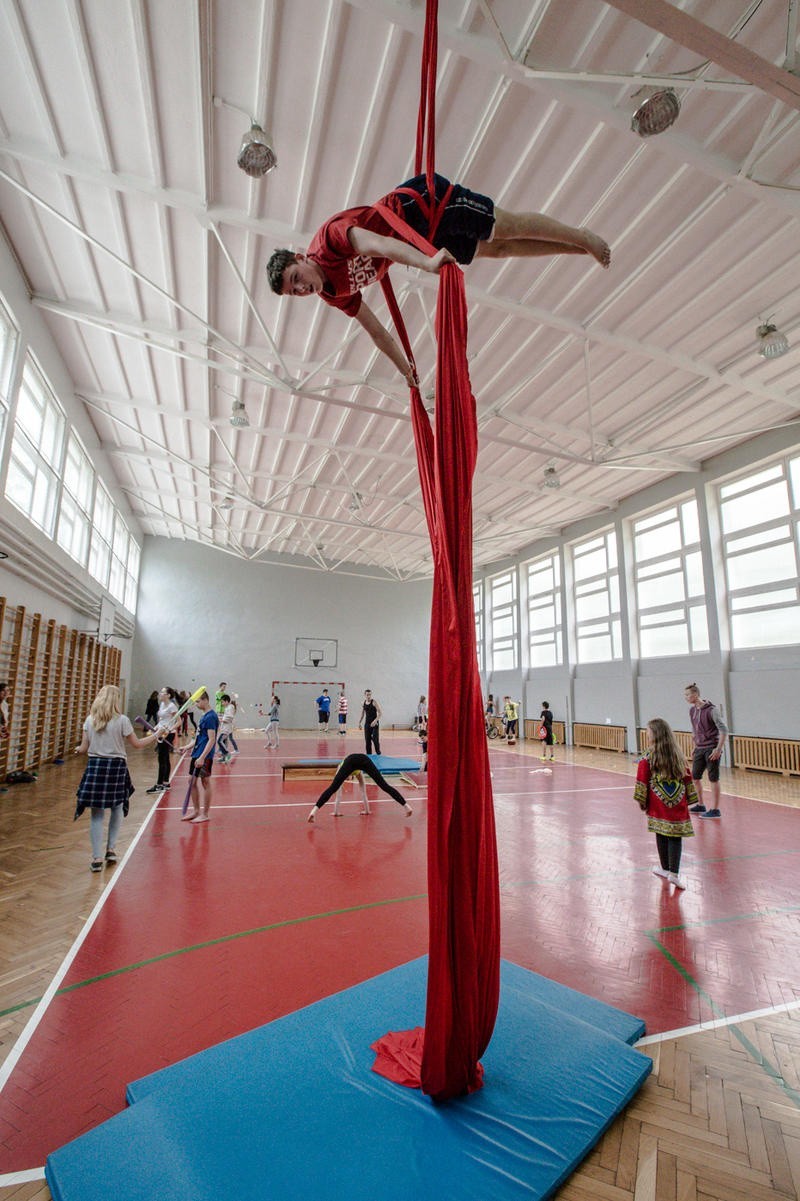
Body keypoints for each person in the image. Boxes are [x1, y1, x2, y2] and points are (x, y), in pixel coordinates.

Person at [267, 173, 610, 385]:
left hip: (422, 207)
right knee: (498, 251)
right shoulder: (333, 293)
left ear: (301, 257)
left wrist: (428, 263)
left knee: (505, 227)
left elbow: (381, 243)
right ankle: (574, 248)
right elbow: (374, 329)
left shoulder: (329, 241)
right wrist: (406, 370)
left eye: (295, 278)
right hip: (422, 243)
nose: (301, 289)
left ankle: (579, 236)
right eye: (294, 292)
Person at [74, 684, 157, 872]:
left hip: (95, 766)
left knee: (96, 813)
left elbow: (83, 747)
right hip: (116, 767)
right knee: (117, 806)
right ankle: (111, 849)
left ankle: (96, 858)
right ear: (115, 699)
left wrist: (78, 750)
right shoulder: (122, 721)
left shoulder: (90, 720)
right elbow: (137, 745)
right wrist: (157, 734)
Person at [634, 718, 697, 890]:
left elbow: (642, 778)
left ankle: (670, 871)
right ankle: (671, 871)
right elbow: (687, 776)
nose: (647, 735)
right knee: (674, 835)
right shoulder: (677, 753)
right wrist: (690, 798)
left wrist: (641, 800)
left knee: (660, 832)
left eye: (649, 732)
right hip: (677, 800)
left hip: (658, 800)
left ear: (655, 734)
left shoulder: (648, 756)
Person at [307, 753, 412, 822]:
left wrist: (335, 812)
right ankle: (407, 806)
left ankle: (313, 811)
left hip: (354, 760)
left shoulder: (343, 768)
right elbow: (363, 792)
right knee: (384, 785)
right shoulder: (357, 772)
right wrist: (366, 811)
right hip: (364, 760)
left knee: (333, 788)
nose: (348, 778)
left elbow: (336, 793)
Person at [684, 682, 729, 819]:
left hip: (711, 748)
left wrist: (718, 748)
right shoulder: (692, 711)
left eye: (687, 695)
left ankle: (715, 810)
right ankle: (701, 805)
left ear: (696, 694)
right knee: (695, 778)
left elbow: (723, 729)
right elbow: (695, 729)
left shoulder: (711, 710)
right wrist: (695, 746)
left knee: (713, 778)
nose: (685, 697)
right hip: (700, 748)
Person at [181, 691, 218, 823]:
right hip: (196, 754)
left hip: (205, 755)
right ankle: (196, 811)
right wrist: (186, 747)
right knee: (191, 781)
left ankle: (205, 813)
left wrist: (202, 757)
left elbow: (212, 739)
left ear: (205, 700)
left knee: (205, 782)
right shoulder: (203, 716)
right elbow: (198, 737)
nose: (196, 704)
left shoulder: (211, 717)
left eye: (197, 701)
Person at [146, 686, 179, 794]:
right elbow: (162, 720)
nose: (160, 694)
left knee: (162, 758)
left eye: (163, 692)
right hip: (160, 733)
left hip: (168, 734)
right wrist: (156, 728)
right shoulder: (162, 704)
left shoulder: (172, 706)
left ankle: (159, 785)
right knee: (164, 757)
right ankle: (166, 783)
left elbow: (179, 722)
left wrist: (169, 729)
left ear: (168, 695)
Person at [359, 689, 382, 755]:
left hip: (375, 724)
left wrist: (375, 721)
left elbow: (380, 713)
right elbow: (362, 714)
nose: (369, 696)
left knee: (375, 739)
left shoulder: (374, 702)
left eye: (370, 695)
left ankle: (378, 753)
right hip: (367, 724)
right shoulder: (363, 703)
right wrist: (359, 722)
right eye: (367, 695)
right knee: (367, 741)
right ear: (365, 695)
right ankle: (369, 755)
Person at [218, 693, 238, 763]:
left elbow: (230, 717)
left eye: (222, 702)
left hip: (226, 729)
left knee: (219, 741)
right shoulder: (227, 708)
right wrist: (221, 718)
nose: (222, 703)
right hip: (224, 728)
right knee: (223, 742)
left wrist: (222, 720)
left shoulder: (230, 707)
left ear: (226, 701)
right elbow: (226, 717)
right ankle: (224, 757)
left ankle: (227, 753)